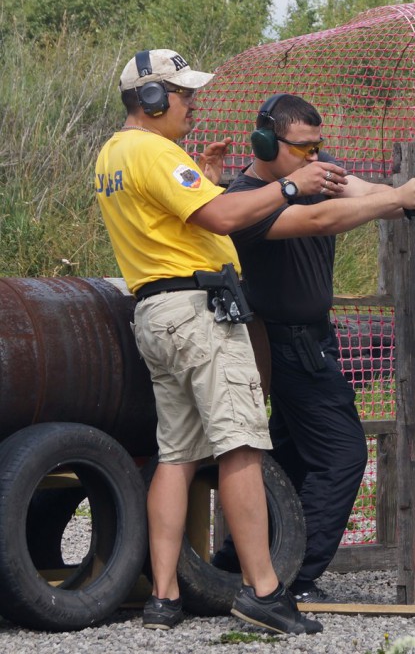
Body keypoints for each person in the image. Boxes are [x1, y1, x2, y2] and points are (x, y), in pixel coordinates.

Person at [94, 51, 347, 635]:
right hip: (198, 313)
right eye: (183, 94)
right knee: (241, 445)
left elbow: (180, 215)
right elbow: (225, 218)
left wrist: (204, 182)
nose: (191, 103)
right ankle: (263, 593)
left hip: (156, 313)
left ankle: (163, 598)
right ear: (153, 100)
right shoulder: (153, 151)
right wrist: (290, 186)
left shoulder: (112, 154)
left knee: (178, 455)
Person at [214, 93, 415, 603]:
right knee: (342, 455)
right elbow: (321, 220)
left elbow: (362, 190)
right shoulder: (246, 198)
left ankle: (234, 563)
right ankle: (295, 574)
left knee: (291, 458)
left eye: (320, 146)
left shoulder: (315, 173)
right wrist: (396, 199)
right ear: (266, 143)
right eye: (302, 148)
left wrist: (409, 193)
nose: (314, 157)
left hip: (312, 338)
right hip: (285, 343)